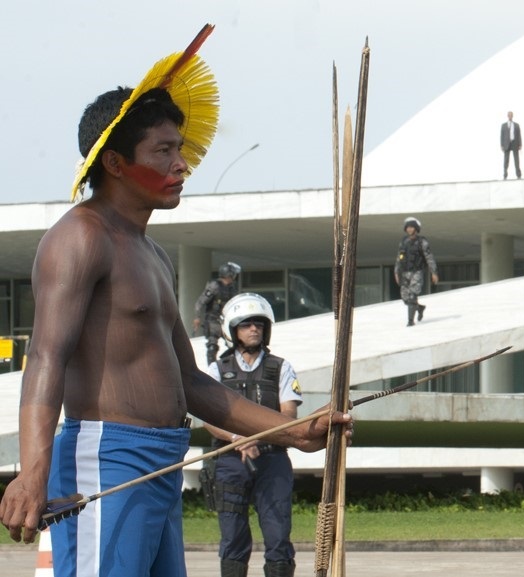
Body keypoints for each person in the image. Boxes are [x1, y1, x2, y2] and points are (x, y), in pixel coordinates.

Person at [0, 52, 348, 576]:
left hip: (164, 460)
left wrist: (290, 432)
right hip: (106, 458)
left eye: (180, 150)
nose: (181, 164)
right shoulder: (79, 237)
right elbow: (46, 356)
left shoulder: (152, 254)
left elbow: (189, 381)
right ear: (114, 163)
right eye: (162, 151)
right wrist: (33, 472)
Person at [203, 293, 301, 577]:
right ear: (233, 330)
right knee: (232, 538)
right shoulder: (217, 370)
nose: (253, 328)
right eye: (246, 324)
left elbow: (289, 415)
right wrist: (238, 440)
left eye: (258, 323)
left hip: (272, 460)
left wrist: (258, 437)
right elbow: (208, 418)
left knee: (278, 535)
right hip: (230, 462)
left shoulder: (281, 368)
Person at [194, 261, 241, 365]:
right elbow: (200, 302)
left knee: (234, 345)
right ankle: (212, 368)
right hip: (212, 320)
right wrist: (197, 317)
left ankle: (228, 366)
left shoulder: (232, 288)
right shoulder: (214, 286)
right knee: (212, 346)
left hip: (227, 320)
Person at [394, 216, 439, 326]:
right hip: (404, 272)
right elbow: (399, 257)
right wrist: (396, 271)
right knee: (405, 298)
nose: (409, 229)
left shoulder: (422, 242)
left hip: (417, 272)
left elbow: (429, 257)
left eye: (411, 227)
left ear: (416, 228)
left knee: (412, 296)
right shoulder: (403, 241)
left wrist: (434, 272)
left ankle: (410, 321)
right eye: (407, 227)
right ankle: (419, 308)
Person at [500, 110, 522, 180]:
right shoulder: (503, 125)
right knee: (506, 160)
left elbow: (519, 135)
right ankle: (505, 175)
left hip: (514, 143)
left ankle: (518, 175)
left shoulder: (516, 125)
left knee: (516, 159)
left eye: (511, 115)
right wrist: (501, 145)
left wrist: (520, 144)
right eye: (509, 115)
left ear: (512, 116)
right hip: (506, 144)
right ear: (507, 116)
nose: (510, 116)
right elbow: (501, 136)